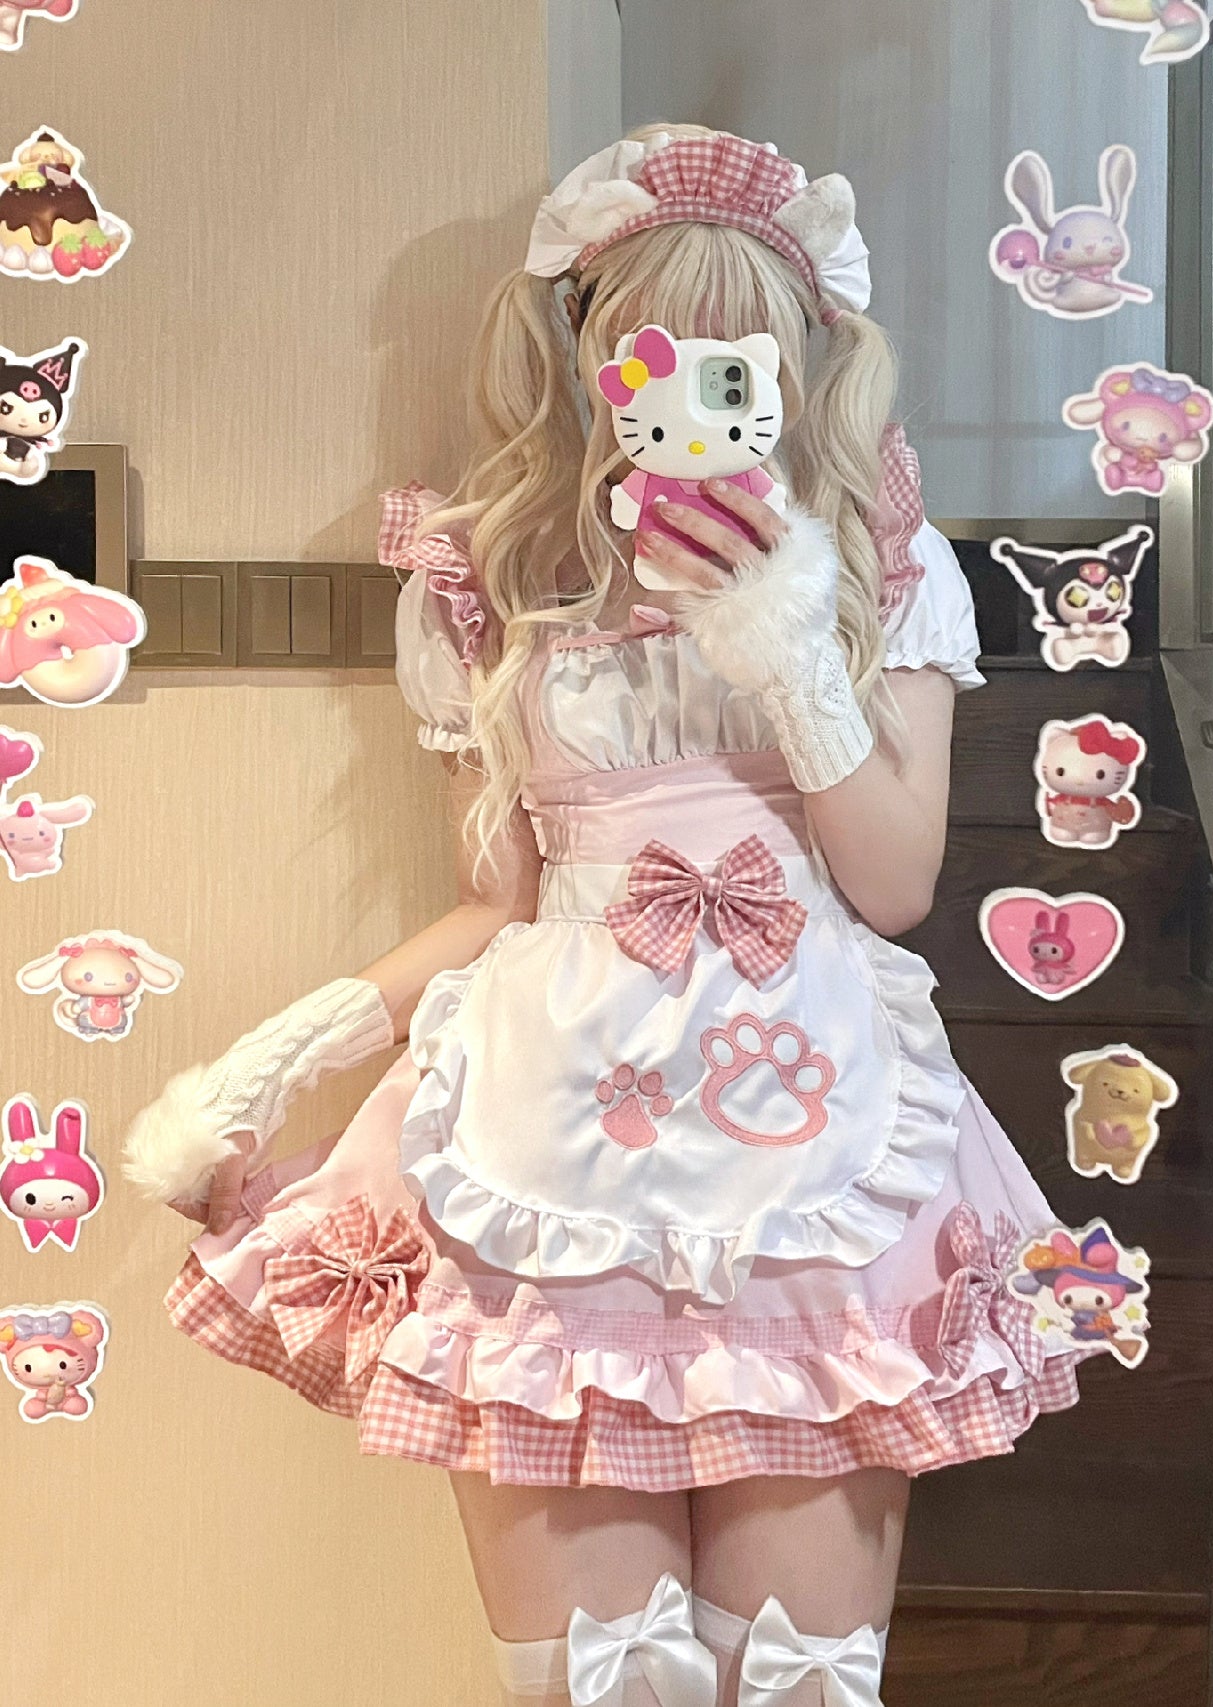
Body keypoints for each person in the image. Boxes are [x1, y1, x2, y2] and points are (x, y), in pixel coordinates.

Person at [125, 126, 1097, 1707]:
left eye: (739, 356)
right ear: (591, 355)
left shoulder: (879, 559)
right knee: (595, 1684)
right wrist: (278, 1059)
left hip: (812, 1157)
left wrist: (783, 639)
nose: (697, 393)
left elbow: (894, 884)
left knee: (794, 1681)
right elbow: (497, 903)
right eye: (660, 351)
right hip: (545, 1138)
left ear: (796, 364)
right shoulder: (494, 572)